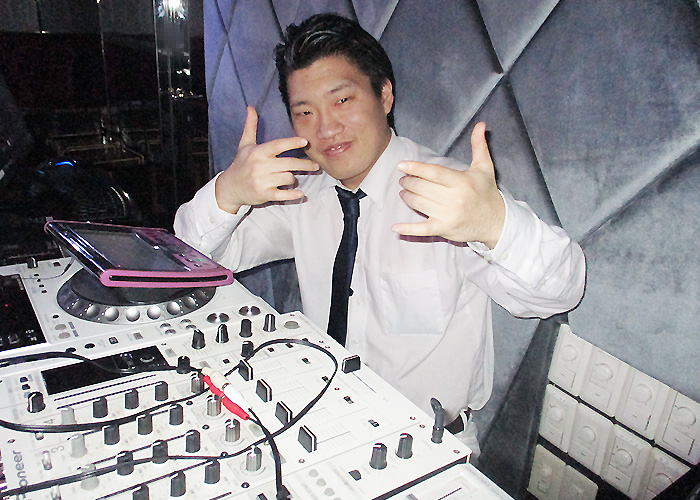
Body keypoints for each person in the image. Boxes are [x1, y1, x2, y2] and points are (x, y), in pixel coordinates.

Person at [174, 13, 585, 457]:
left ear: (384, 95)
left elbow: (558, 293)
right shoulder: (305, 194)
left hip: (426, 447)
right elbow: (191, 258)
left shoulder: (448, 196)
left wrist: (493, 223)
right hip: (318, 427)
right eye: (305, 112)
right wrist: (228, 192)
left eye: (342, 100)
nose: (325, 128)